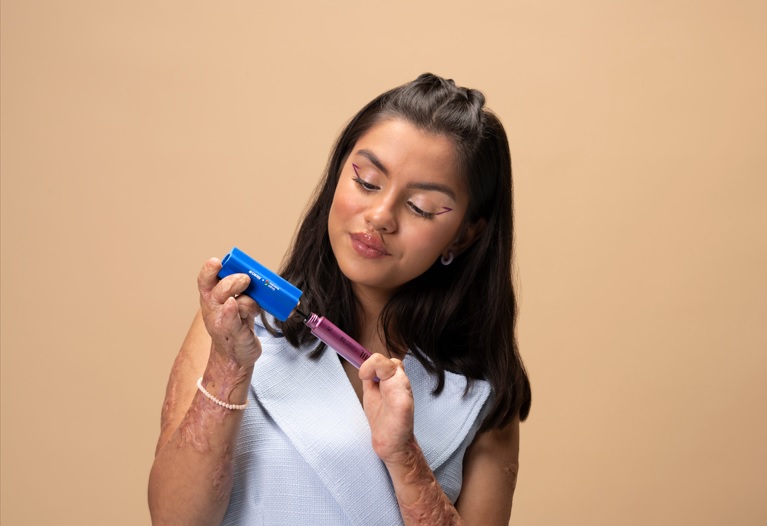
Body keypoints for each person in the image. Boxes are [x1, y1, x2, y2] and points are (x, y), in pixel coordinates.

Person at [148, 73, 532, 526]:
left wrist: (404, 457)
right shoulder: (237, 327)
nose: (381, 216)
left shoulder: (481, 394)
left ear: (466, 235)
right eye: (367, 181)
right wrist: (229, 368)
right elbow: (173, 519)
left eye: (422, 207)